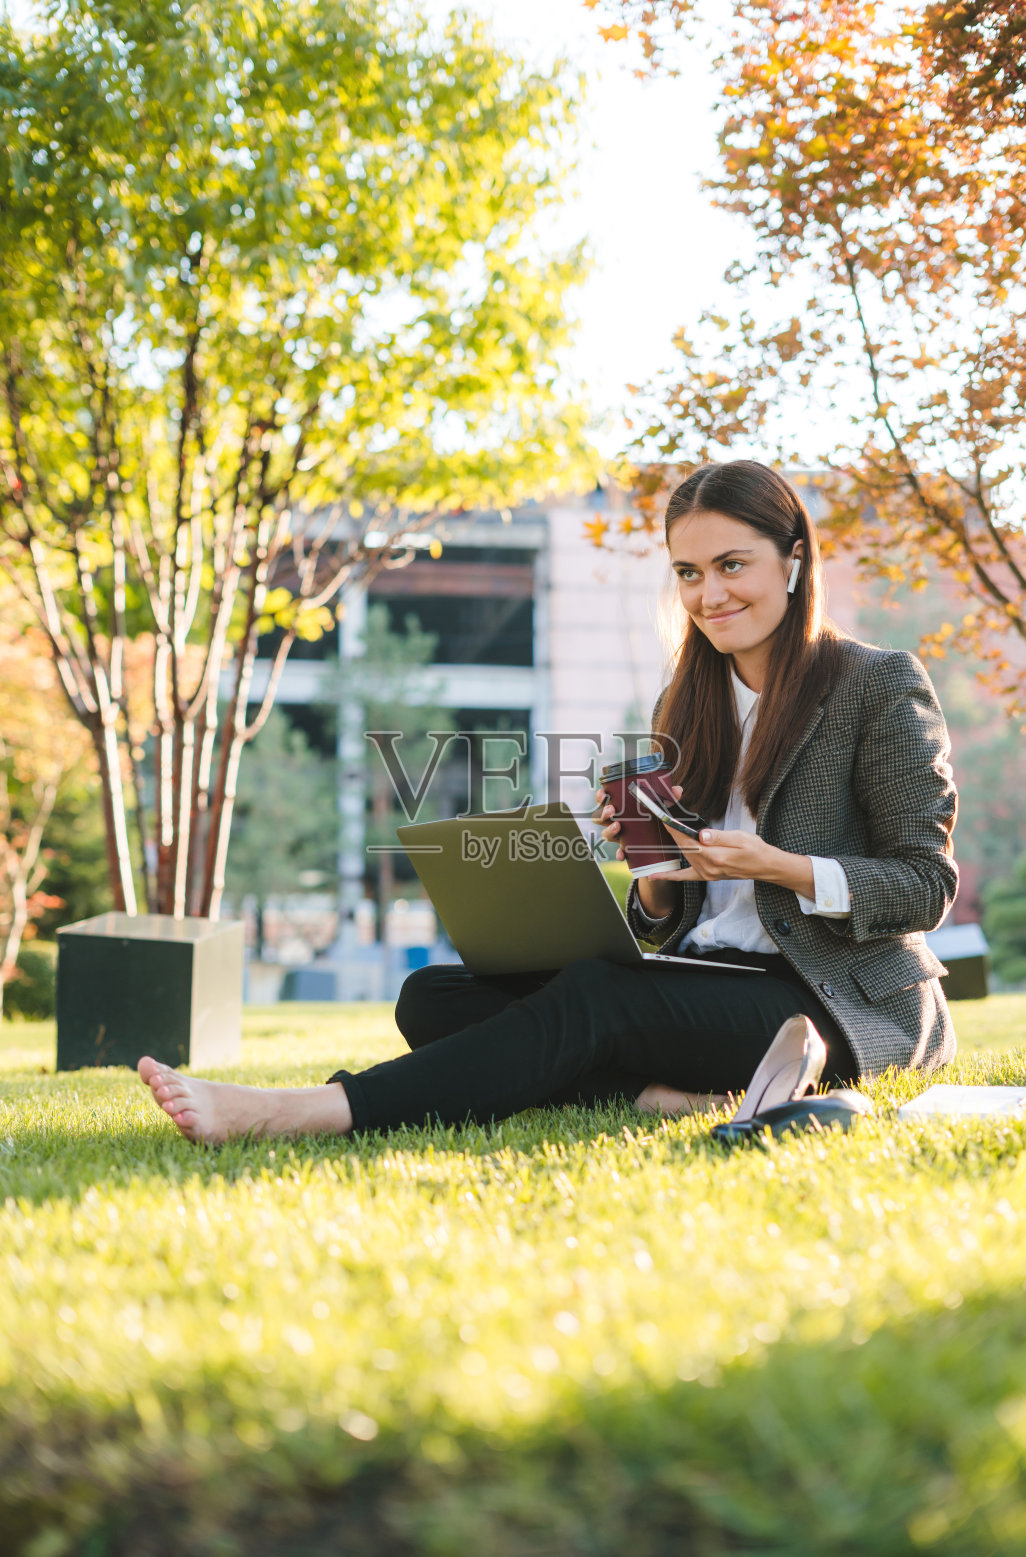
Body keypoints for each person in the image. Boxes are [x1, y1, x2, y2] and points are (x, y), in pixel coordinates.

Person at [137, 459, 959, 1144]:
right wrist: (653, 873)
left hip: (827, 1001)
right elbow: (673, 917)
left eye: (731, 565)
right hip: (706, 980)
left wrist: (779, 866)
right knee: (435, 996)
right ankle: (659, 1098)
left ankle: (307, 1111)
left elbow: (925, 884)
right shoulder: (685, 701)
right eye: (688, 573)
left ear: (793, 560)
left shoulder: (875, 684)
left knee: (598, 999)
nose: (708, 594)